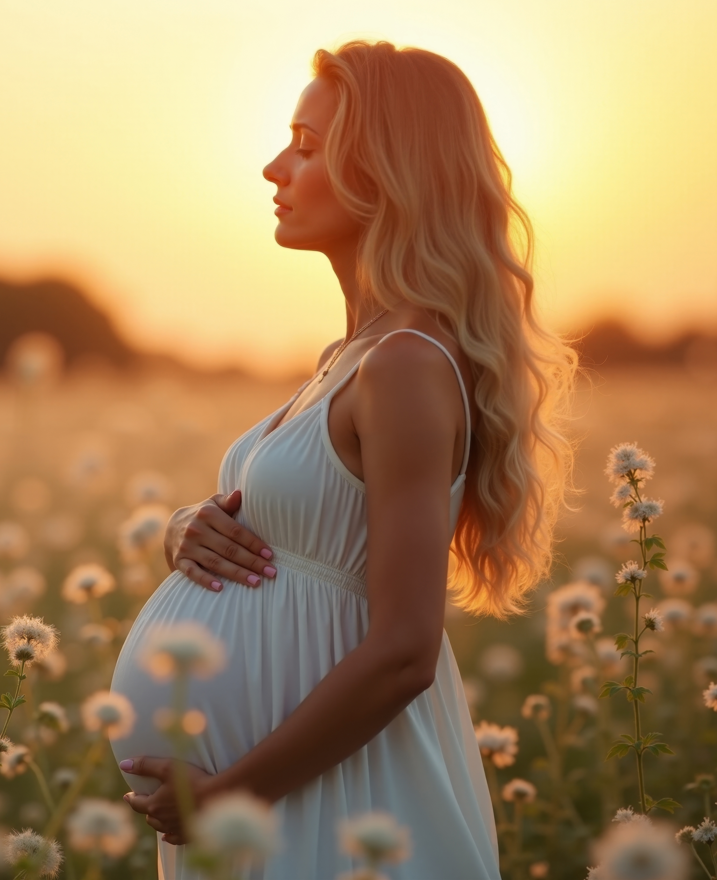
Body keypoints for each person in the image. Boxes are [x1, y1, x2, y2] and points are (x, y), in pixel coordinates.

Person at [110, 39, 579, 879]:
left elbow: (404, 649)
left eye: (305, 145)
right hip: (277, 796)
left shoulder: (403, 365)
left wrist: (230, 799)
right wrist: (184, 530)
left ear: (385, 172)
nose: (273, 169)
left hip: (338, 800)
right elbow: (293, 534)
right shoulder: (350, 357)